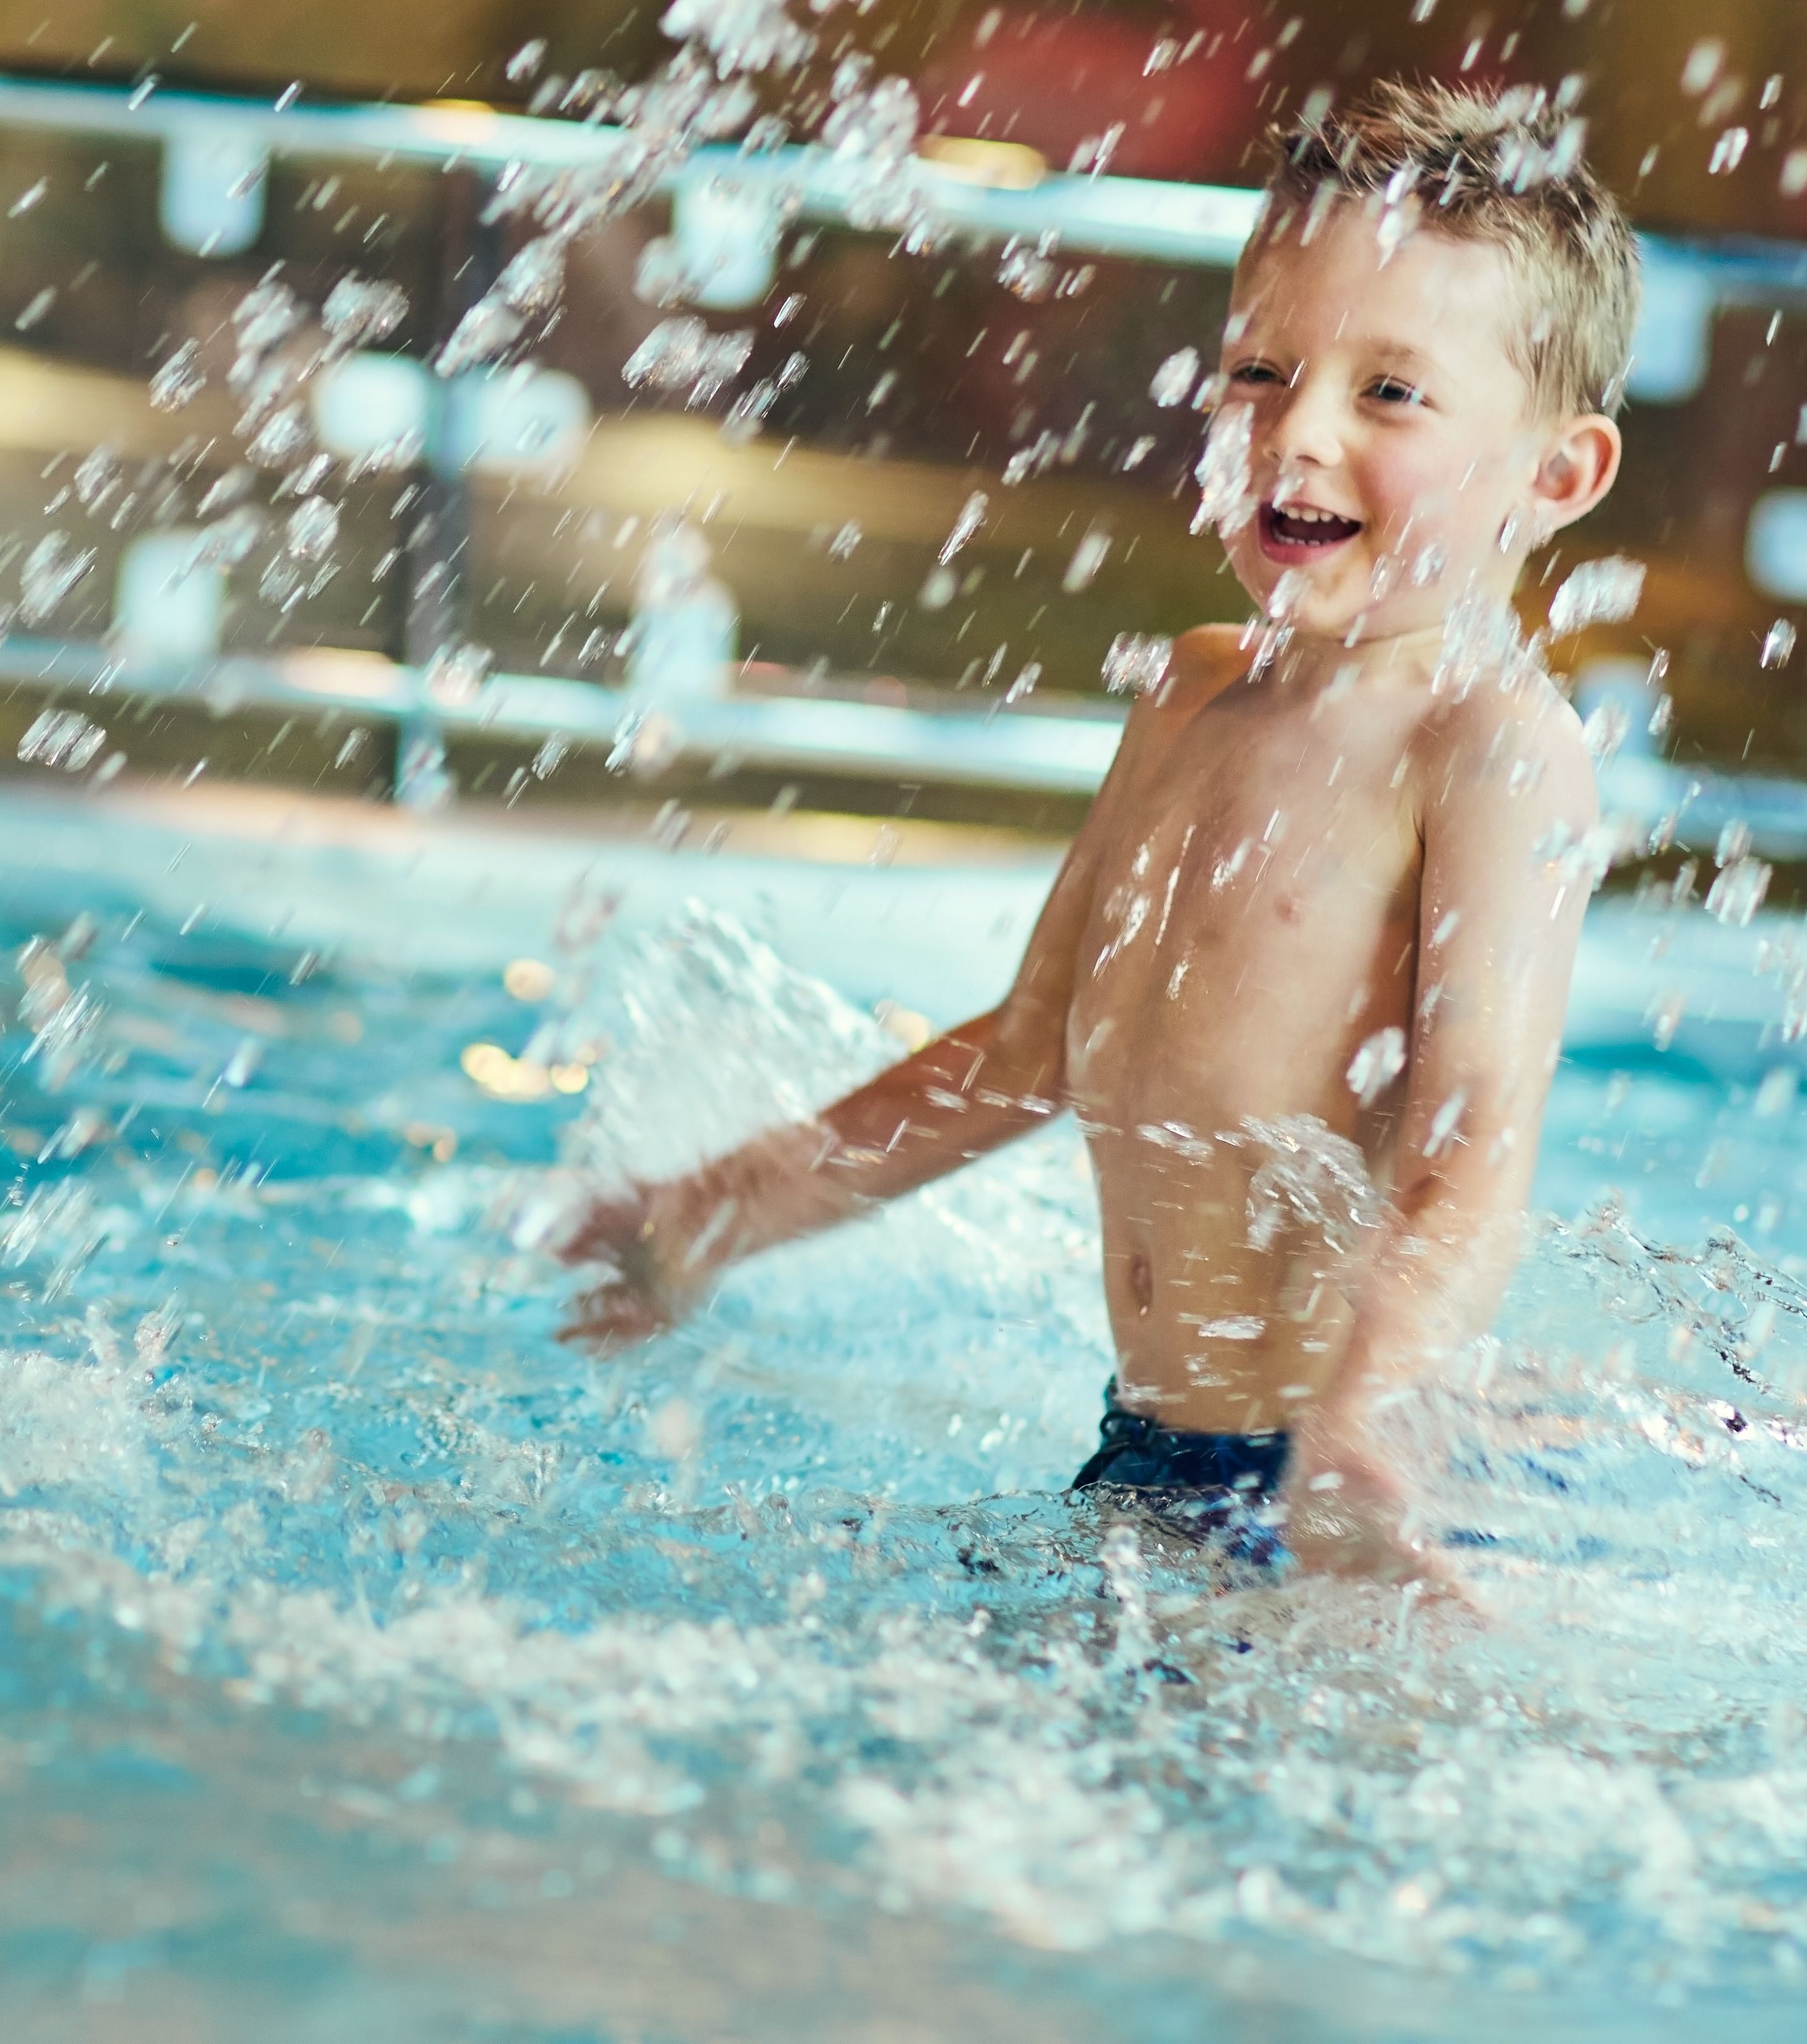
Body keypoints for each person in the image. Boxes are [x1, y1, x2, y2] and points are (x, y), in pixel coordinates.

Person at [553, 79, 1637, 1588]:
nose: (1296, 432)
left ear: (1555, 474)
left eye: (1390, 394)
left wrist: (1362, 1419)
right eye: (1263, 366)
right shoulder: (1192, 694)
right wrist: (705, 1214)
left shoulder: (1490, 749)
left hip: (1329, 1483)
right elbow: (1025, 1052)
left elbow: (1468, 1170)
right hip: (1157, 1453)